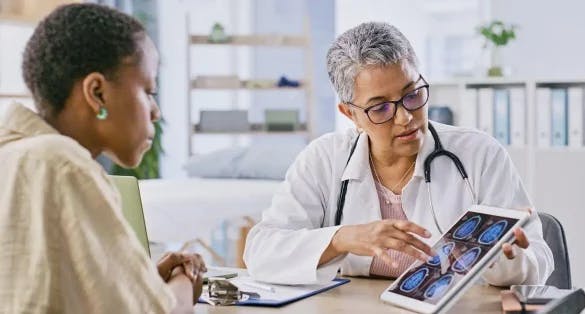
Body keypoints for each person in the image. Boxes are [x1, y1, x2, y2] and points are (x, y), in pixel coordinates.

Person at [244, 22, 554, 286]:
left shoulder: (479, 154)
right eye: (380, 107)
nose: (405, 117)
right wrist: (342, 238)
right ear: (349, 114)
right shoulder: (323, 160)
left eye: (413, 95)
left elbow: (539, 261)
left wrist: (504, 260)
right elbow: (260, 252)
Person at [0, 4, 205, 313]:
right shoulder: (63, 163)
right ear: (97, 93)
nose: (155, 111)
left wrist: (144, 281)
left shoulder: (15, 153)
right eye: (149, 91)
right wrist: (185, 281)